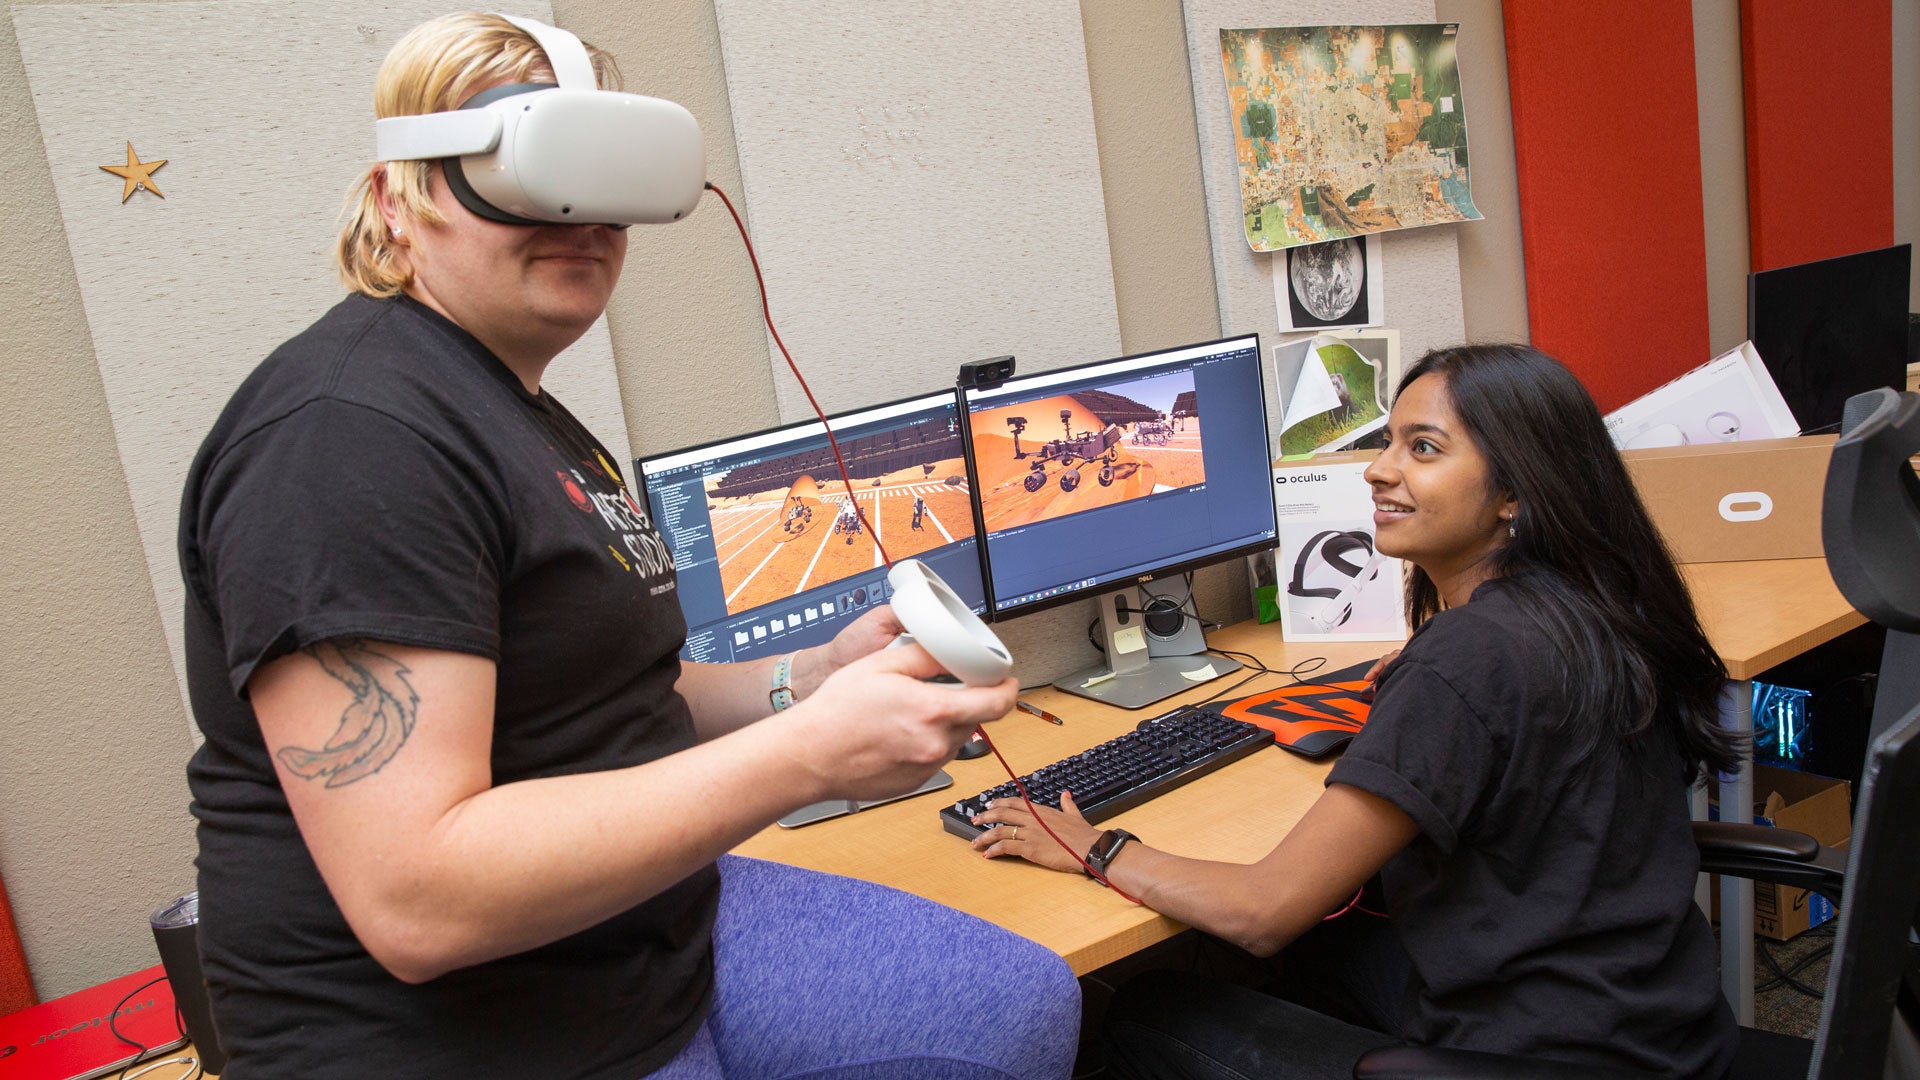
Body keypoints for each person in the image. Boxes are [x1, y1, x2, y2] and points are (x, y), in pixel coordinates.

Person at [178, 14, 1077, 1079]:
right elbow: (418, 900)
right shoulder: (347, 440)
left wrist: (808, 680)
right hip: (474, 1036)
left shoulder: (512, 406)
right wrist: (808, 757)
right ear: (397, 200)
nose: (579, 216)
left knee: (1018, 1007)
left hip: (643, 937)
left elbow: (604, 696)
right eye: (522, 175)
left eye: (606, 180)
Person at [972, 344, 1743, 1079]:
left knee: (1147, 1007)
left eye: (1425, 449)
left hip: (1540, 1057)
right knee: (1321, 944)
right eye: (1389, 443)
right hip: (1657, 1033)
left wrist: (1093, 847)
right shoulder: (1595, 606)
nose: (1379, 470)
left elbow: (1264, 910)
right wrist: (1430, 681)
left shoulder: (1469, 660)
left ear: (1516, 492)